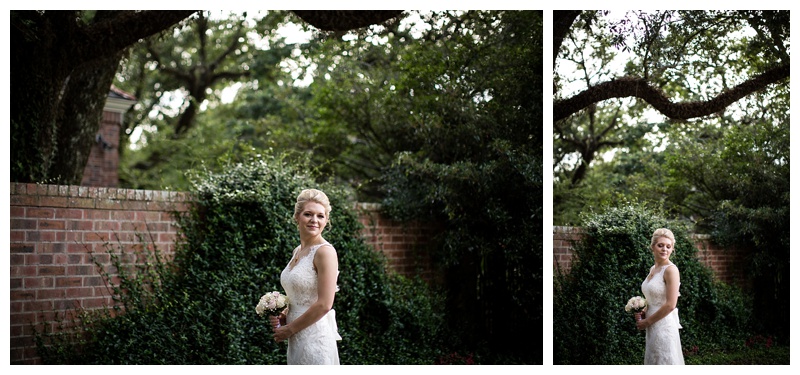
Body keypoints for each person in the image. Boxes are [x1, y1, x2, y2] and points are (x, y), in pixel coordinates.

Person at [270, 188, 341, 365]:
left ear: (326, 220)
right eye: (308, 214)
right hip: (296, 337)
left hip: (315, 337)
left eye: (320, 216)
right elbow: (300, 294)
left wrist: (289, 330)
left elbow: (325, 304)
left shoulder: (325, 252)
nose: (314, 220)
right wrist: (285, 313)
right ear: (297, 217)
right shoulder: (298, 251)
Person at [635, 228, 685, 365]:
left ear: (672, 249)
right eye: (660, 245)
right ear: (652, 247)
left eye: (668, 247)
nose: (664, 249)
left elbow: (670, 304)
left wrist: (647, 321)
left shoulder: (671, 270)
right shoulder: (653, 269)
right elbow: (652, 296)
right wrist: (643, 310)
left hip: (664, 325)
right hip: (652, 326)